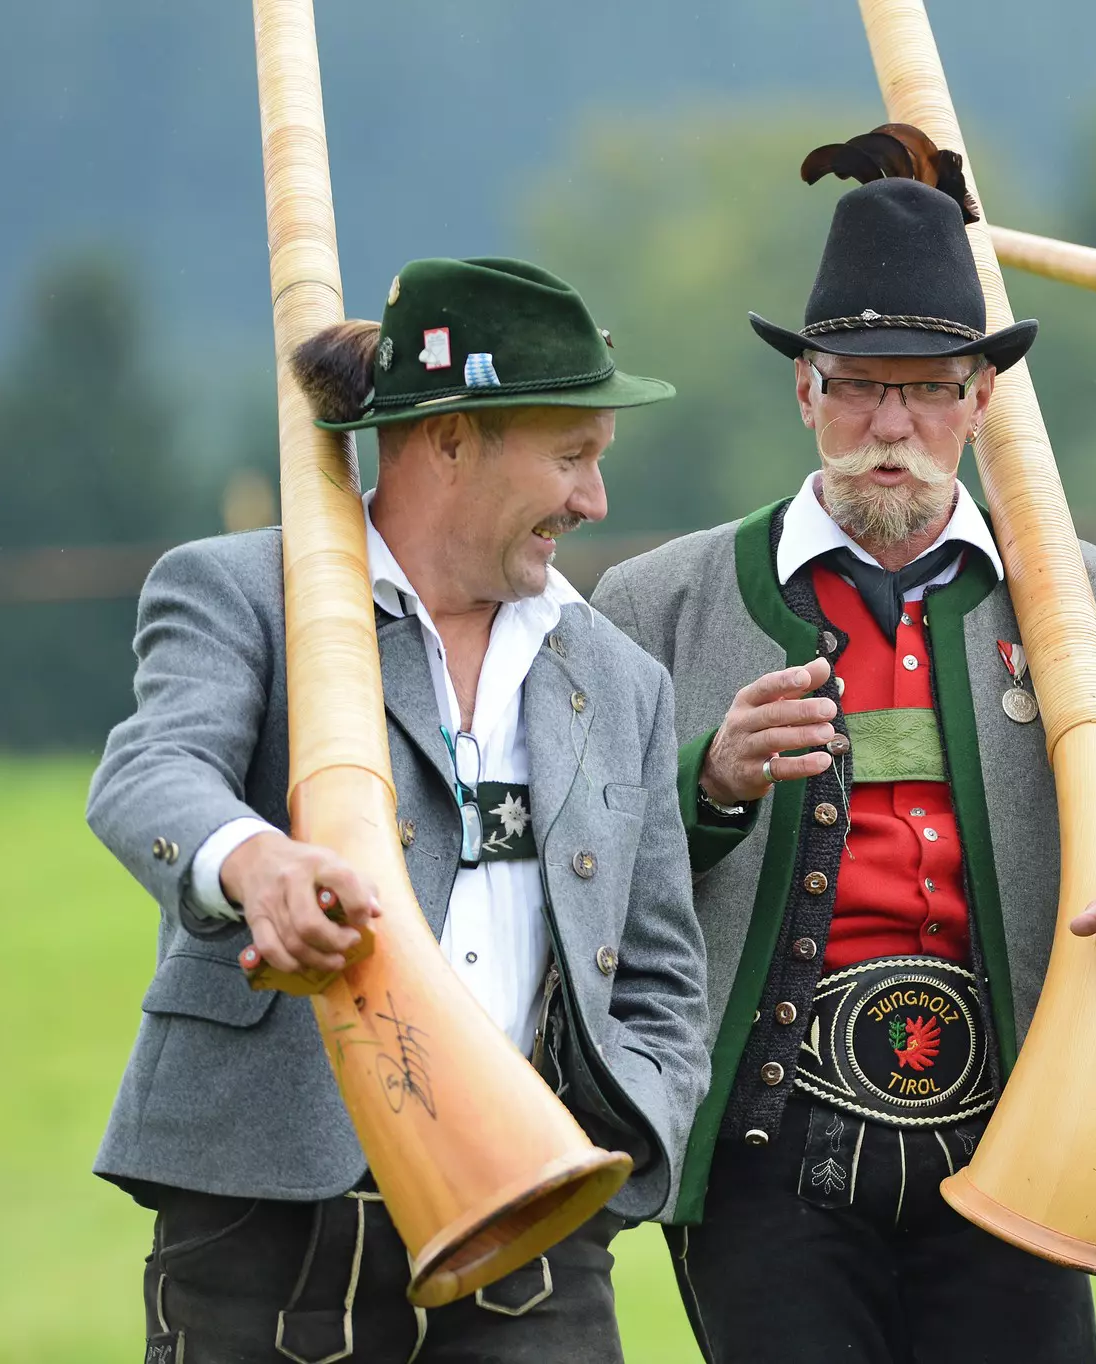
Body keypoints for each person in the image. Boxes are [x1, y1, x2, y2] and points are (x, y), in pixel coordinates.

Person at [592, 128, 1096, 1364]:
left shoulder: (1079, 594)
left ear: (979, 400)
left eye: (928, 388)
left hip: (1022, 1140)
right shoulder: (656, 602)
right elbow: (589, 861)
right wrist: (711, 782)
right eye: (856, 383)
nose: (890, 421)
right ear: (804, 390)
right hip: (762, 1153)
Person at [88, 257, 710, 1362]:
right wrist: (255, 861)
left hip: (539, 1227)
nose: (593, 501)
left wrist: (620, 1147)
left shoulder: (623, 679)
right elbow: (150, 771)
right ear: (451, 438)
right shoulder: (238, 589)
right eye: (570, 458)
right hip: (266, 1215)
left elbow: (660, 972)